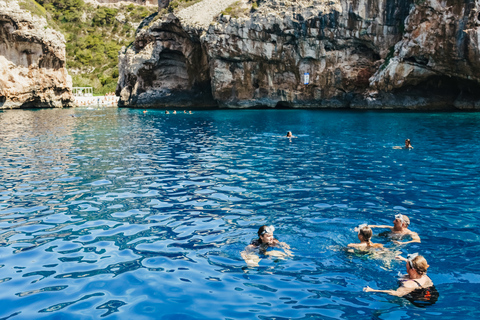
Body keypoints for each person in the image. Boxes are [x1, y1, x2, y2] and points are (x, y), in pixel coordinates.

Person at [364, 253, 438, 305]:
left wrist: (373, 290)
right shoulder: (423, 274)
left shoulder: (408, 285)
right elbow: (415, 265)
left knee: (378, 312)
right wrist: (404, 259)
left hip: (412, 301)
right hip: (422, 290)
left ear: (413, 270)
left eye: (407, 263)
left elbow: (396, 293)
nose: (406, 264)